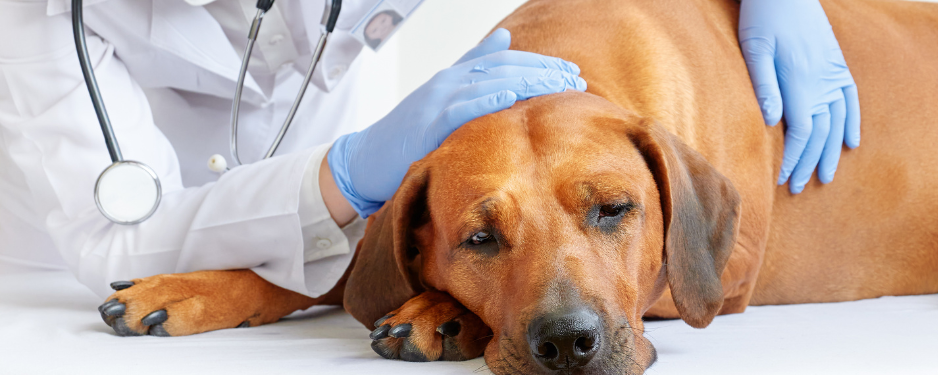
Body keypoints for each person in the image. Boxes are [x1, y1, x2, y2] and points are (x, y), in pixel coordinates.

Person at [0, 0, 858, 300]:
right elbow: (115, 240)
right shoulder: (45, 21)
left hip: (362, 232)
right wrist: (349, 172)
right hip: (53, 276)